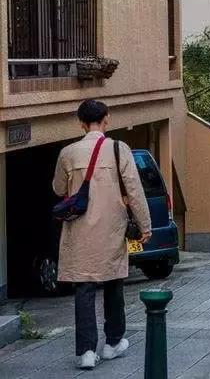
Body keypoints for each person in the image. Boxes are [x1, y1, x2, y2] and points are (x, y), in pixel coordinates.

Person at [52, 99, 152, 370]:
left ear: (81, 123)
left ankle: (85, 352)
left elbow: (59, 188)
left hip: (79, 231)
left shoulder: (68, 152)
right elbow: (134, 191)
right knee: (113, 283)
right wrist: (145, 226)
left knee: (83, 289)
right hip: (111, 230)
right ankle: (113, 343)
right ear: (106, 119)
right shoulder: (119, 149)